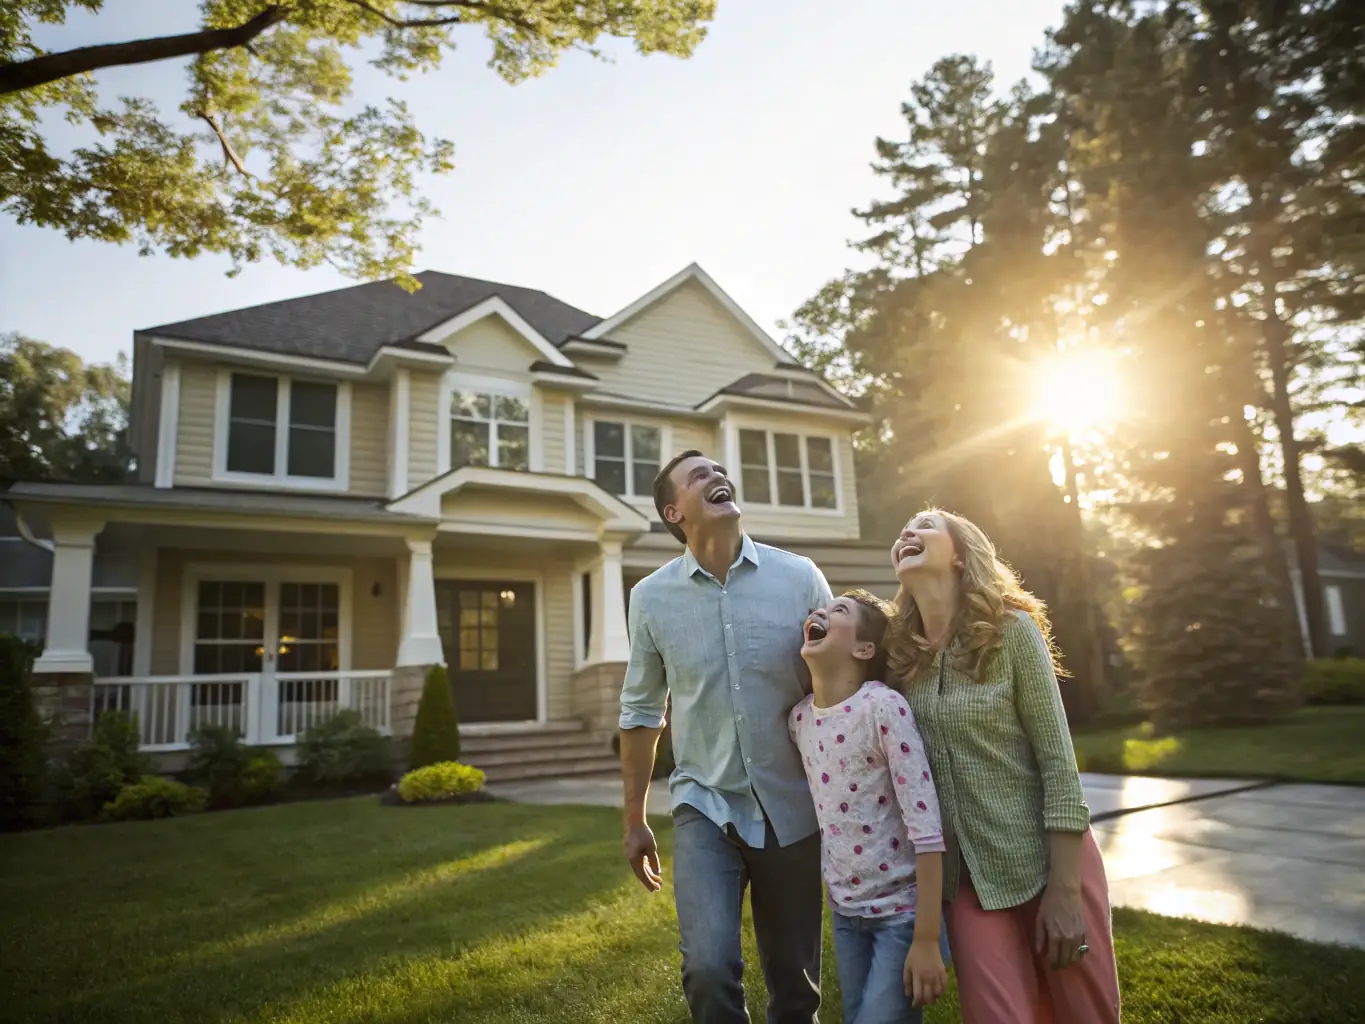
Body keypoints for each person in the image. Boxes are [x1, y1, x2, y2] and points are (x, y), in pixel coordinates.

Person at [619, 449, 833, 1024]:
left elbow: (841, 684)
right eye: (699, 476)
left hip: (792, 804)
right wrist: (635, 818)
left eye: (719, 470)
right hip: (703, 803)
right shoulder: (650, 598)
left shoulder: (800, 577)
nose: (717, 476)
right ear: (674, 511)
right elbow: (641, 710)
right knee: (708, 970)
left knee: (796, 986)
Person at [887, 509, 1122, 1023]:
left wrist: (1064, 893)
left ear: (961, 554)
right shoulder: (900, 657)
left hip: (1048, 861)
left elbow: (1060, 766)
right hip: (965, 879)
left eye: (926, 525)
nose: (907, 532)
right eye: (904, 528)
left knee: (1087, 1014)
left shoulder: (1012, 632)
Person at [789, 590, 948, 1024]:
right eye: (821, 610)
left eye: (838, 610)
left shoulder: (882, 706)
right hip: (846, 915)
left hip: (903, 916)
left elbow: (926, 827)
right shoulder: (799, 720)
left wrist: (928, 938)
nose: (820, 612)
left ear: (864, 649)